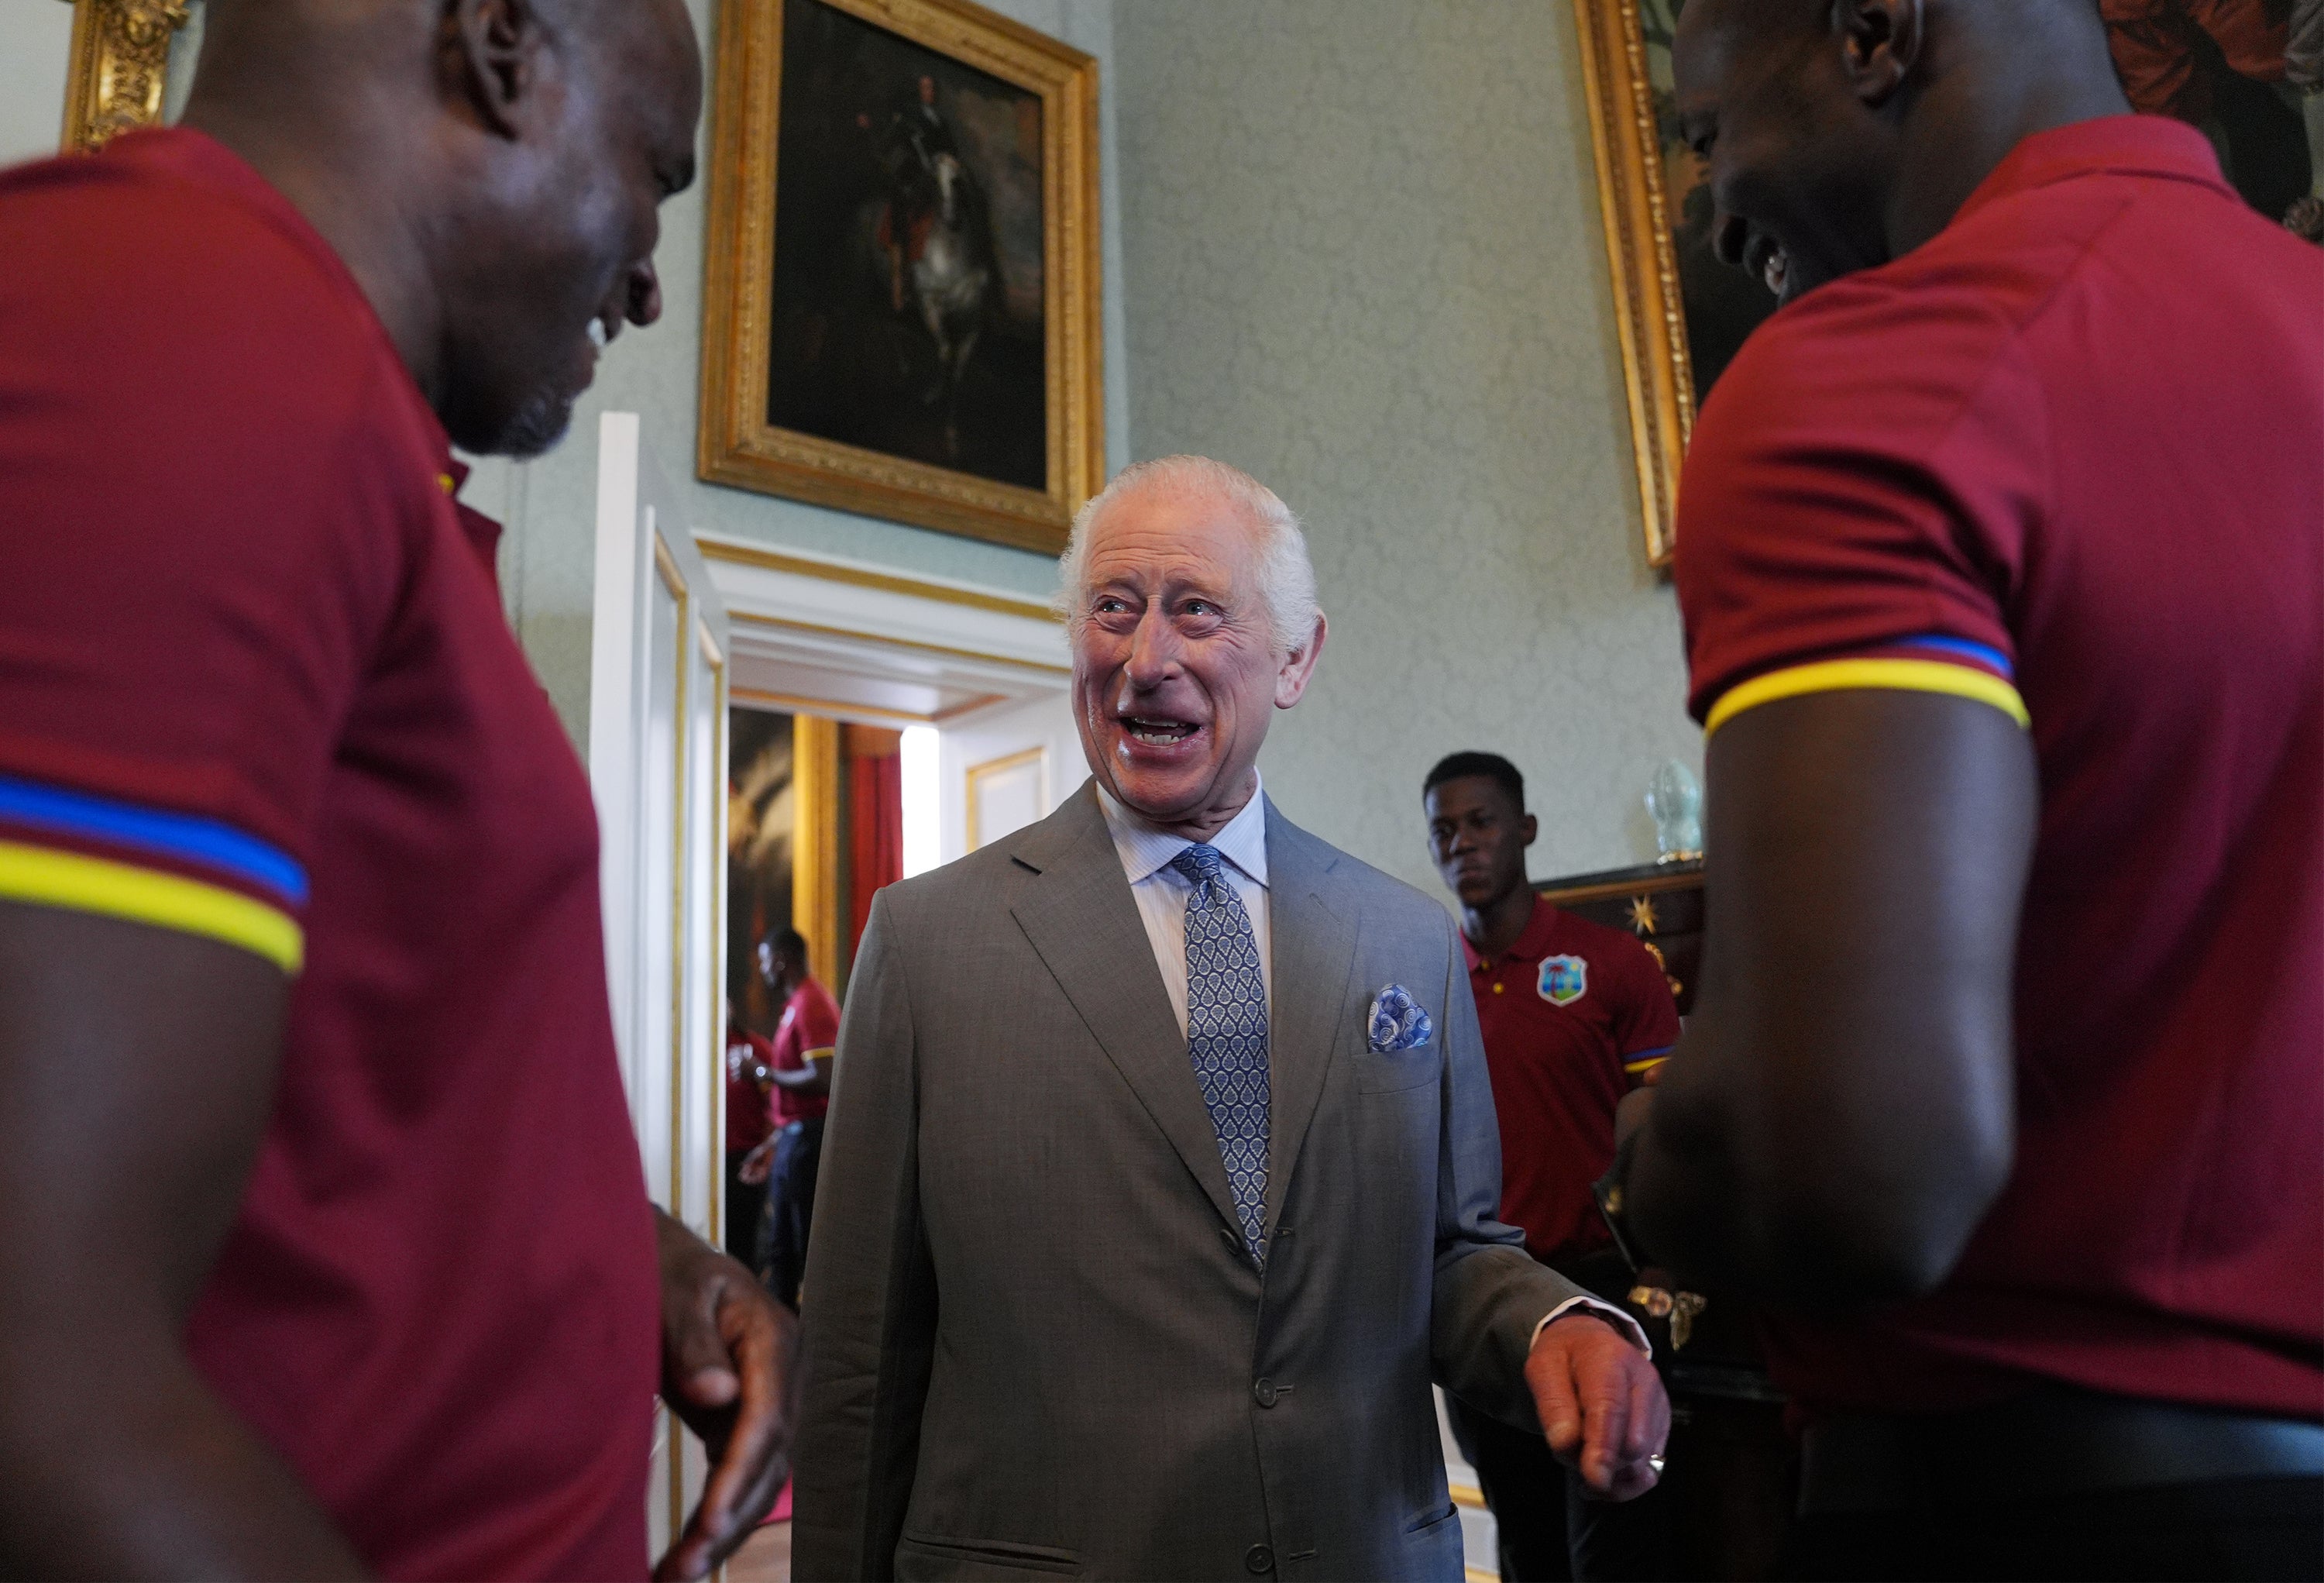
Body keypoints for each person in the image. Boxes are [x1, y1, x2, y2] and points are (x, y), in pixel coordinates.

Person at [0, 2, 792, 1578]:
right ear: (501, 48)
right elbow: (38, 1357)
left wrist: (610, 1249)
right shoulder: (184, 327)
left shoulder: (329, 417)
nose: (647, 277)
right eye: (653, 173)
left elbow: (303, 1063)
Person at [1602, 1, 2324, 1578]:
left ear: (1876, 33)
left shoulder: (1878, 372)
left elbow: (1851, 1166)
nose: (1717, 214)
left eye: (1710, 136)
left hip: (2047, 1503)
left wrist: (1654, 1160)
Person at [792, 456, 1669, 1581]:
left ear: (1296, 658)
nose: (1146, 658)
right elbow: (860, 1357)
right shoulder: (927, 943)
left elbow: (1449, 1252)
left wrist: (1559, 1321)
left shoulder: (1402, 939)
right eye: (1114, 607)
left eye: (1198, 610)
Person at [1423, 752, 1680, 1583]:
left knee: (1616, 1546)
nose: (1462, 844)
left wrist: (1660, 1278)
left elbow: (1669, 1132)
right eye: (1443, 830)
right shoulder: (1423, 980)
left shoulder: (1612, 964)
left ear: (1525, 829)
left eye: (1481, 822)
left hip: (1605, 1290)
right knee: (1526, 1546)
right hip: (1489, 1304)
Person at [740, 927, 838, 1310]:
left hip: (808, 1142)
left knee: (800, 1247)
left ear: (781, 960)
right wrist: (772, 1143)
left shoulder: (812, 1002)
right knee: (781, 1249)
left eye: (765, 960)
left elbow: (824, 1077)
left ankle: (806, 1339)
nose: (762, 968)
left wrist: (762, 1072)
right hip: (793, 1139)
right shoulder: (797, 1003)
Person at [726, 1002, 778, 1267]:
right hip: (704, 1158)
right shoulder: (694, 1048)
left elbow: (777, 1103)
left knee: (744, 1246)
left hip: (746, 1157)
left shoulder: (753, 1047)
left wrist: (768, 1150)